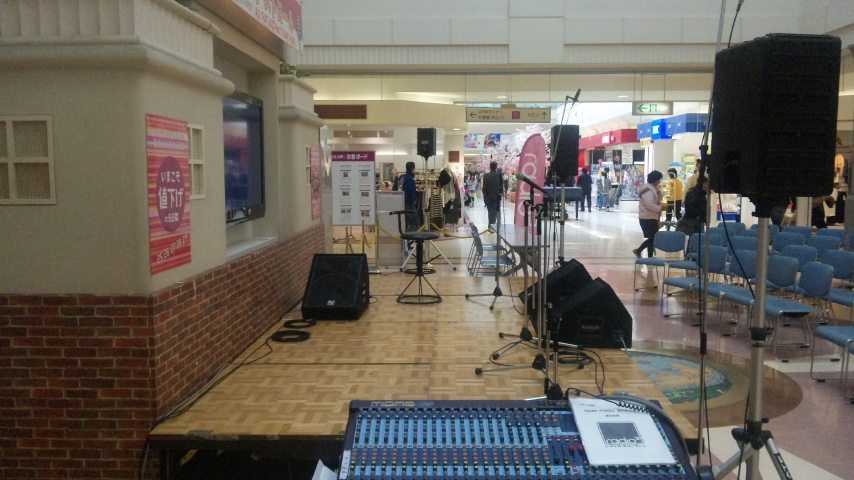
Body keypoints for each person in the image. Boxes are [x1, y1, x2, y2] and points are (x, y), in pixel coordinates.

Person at [633, 170, 664, 258]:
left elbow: (656, 200)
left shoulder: (652, 189)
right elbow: (649, 204)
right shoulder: (648, 191)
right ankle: (639, 250)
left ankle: (650, 256)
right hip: (647, 218)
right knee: (652, 238)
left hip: (651, 217)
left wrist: (659, 194)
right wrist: (659, 208)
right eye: (659, 179)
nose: (659, 181)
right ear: (655, 180)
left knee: (652, 238)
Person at [481, 161, 503, 225]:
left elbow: (484, 188)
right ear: (496, 167)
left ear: (490, 167)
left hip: (488, 197)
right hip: (496, 197)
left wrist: (485, 197)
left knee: (490, 212)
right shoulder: (499, 175)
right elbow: (501, 186)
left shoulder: (486, 175)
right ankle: (493, 225)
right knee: (495, 212)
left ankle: (491, 225)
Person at [401, 161, 420, 231]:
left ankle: (405, 235)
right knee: (415, 223)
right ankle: (410, 235)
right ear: (413, 169)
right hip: (409, 204)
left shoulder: (402, 177)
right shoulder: (410, 179)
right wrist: (414, 200)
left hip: (400, 202)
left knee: (405, 222)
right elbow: (410, 193)